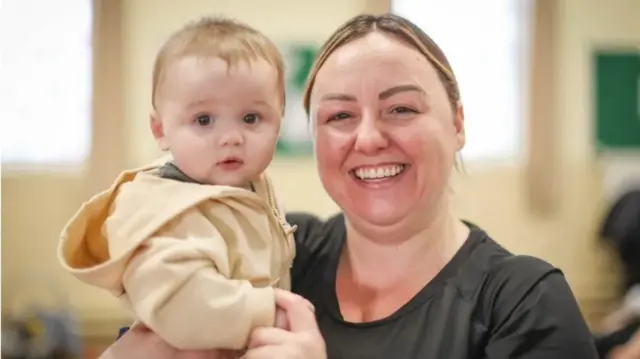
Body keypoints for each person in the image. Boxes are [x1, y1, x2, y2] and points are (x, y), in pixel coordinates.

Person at [101, 13, 601, 359]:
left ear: (458, 124)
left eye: (401, 108)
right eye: (339, 115)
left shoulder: (521, 303)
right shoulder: (277, 251)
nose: (368, 138)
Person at [57, 17, 297, 354]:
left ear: (279, 119)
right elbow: (185, 308)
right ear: (160, 130)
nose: (231, 137)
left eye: (251, 118)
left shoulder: (253, 187)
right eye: (204, 120)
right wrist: (273, 313)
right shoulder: (163, 212)